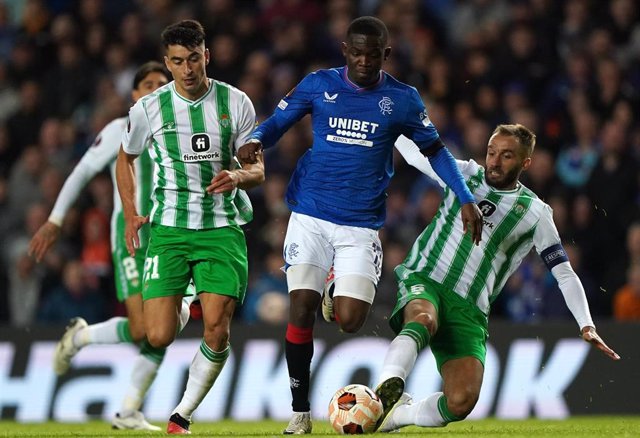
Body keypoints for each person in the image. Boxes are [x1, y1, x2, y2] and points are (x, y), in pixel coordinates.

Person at [236, 16, 483, 435]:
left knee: (349, 319)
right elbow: (279, 121)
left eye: (373, 54)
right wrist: (257, 139)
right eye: (357, 53)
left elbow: (437, 150)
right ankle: (300, 412)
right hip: (311, 213)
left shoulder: (403, 100)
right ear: (345, 52)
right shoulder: (319, 84)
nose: (364, 61)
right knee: (300, 309)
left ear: (385, 54)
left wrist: (465, 196)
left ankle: (336, 286)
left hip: (360, 225)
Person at [375, 124, 620, 433]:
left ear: (525, 163)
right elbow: (414, 155)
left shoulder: (536, 213)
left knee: (461, 401)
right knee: (423, 318)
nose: (495, 161)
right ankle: (383, 392)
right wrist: (388, 121)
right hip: (427, 275)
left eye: (506, 156)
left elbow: (564, 272)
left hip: (470, 307)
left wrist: (586, 324)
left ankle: (398, 416)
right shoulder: (462, 173)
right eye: (492, 153)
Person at [115, 20, 264, 435]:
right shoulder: (148, 109)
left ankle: (181, 415)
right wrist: (130, 211)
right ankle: (185, 300)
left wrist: (238, 177)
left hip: (221, 227)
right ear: (168, 63)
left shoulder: (236, 103)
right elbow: (124, 159)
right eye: (178, 62)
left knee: (217, 329)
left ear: (207, 56)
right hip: (169, 229)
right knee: (158, 335)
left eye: (194, 59)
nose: (187, 69)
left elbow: (257, 168)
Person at [28, 61, 189, 431]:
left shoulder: (181, 129)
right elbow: (82, 171)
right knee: (140, 328)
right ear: (134, 94)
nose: (153, 89)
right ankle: (82, 337)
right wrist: (55, 220)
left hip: (171, 235)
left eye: (160, 84)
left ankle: (129, 409)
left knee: (167, 322)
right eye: (146, 84)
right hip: (130, 236)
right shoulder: (120, 128)